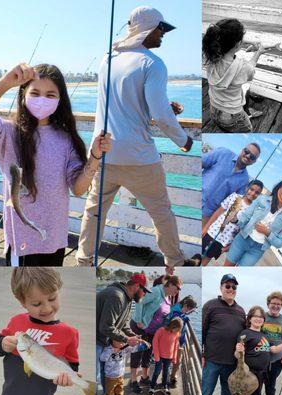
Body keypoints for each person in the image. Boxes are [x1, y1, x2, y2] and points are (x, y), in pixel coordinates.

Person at [76, 6, 201, 268]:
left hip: (104, 153)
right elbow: (161, 116)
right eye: (161, 28)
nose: (163, 34)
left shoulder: (107, 59)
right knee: (161, 212)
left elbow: (129, 105)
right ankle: (175, 261)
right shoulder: (152, 64)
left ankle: (84, 261)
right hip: (139, 158)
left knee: (95, 211)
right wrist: (185, 141)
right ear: (147, 29)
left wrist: (166, 108)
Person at [0, 63, 112, 266]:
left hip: (55, 240)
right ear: (23, 94)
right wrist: (5, 83)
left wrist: (94, 157)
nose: (42, 99)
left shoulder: (66, 139)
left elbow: (79, 188)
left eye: (51, 95)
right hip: (22, 243)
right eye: (35, 93)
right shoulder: (7, 134)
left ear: (60, 101)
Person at [0, 268, 82, 395]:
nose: (46, 308)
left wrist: (68, 378)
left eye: (52, 298)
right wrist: (2, 343)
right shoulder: (17, 321)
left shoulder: (69, 333)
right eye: (36, 304)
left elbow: (72, 365)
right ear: (22, 302)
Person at [202, 19, 271, 132]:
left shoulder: (210, 56)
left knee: (225, 128)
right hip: (232, 114)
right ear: (238, 44)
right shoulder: (242, 67)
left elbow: (225, 40)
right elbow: (251, 70)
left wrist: (243, 41)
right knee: (248, 131)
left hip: (214, 109)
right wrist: (258, 53)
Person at [96, 273, 149, 395]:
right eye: (144, 291)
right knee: (96, 377)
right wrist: (126, 339)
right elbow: (105, 327)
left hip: (104, 341)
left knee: (103, 376)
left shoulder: (129, 299)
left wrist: (133, 336)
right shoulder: (117, 296)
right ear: (136, 286)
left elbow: (124, 324)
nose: (145, 294)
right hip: (96, 341)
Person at [225, 177, 282, 266]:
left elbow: (279, 243)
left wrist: (268, 233)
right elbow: (245, 217)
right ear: (279, 187)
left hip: (257, 250)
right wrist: (235, 220)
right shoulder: (262, 199)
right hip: (242, 239)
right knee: (226, 268)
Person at [130, 275, 182, 394]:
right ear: (169, 284)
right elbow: (139, 300)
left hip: (152, 331)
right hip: (140, 328)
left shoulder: (168, 297)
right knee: (137, 353)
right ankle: (133, 381)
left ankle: (144, 378)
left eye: (179, 289)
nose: (178, 291)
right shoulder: (156, 291)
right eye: (177, 287)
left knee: (148, 354)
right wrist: (138, 320)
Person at [234, 305, 282, 395]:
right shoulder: (245, 334)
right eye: (256, 316)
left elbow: (274, 349)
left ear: (264, 320)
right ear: (249, 319)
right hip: (247, 374)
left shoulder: (264, 336)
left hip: (261, 374)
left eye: (261, 317)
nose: (258, 319)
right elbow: (237, 355)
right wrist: (238, 350)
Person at [202, 274, 246, 395]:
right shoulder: (210, 305)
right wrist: (201, 354)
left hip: (232, 363)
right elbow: (203, 331)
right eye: (227, 286)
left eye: (234, 287)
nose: (231, 289)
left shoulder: (241, 311)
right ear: (221, 287)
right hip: (211, 360)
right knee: (205, 393)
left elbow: (244, 335)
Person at [202, 180, 263, 265]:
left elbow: (243, 231)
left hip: (224, 241)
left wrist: (230, 246)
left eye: (257, 192)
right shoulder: (235, 196)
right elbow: (218, 212)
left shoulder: (254, 210)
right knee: (198, 254)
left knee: (206, 259)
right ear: (246, 188)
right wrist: (206, 227)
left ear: (259, 195)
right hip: (212, 232)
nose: (253, 193)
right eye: (251, 189)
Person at [202, 143, 260, 226]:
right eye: (247, 151)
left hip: (207, 215)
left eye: (252, 157)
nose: (248, 156)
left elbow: (235, 203)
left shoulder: (245, 180)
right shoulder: (223, 153)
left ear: (254, 162)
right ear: (242, 150)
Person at [167, 295, 198, 388]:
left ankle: (172, 377)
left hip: (180, 341)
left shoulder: (181, 310)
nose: (188, 312)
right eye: (189, 310)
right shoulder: (175, 311)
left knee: (178, 360)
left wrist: (186, 314)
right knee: (169, 360)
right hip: (173, 341)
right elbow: (176, 321)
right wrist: (184, 317)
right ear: (185, 306)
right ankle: (167, 378)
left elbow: (182, 314)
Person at [149, 317, 183, 395]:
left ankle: (164, 387)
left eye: (179, 330)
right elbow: (155, 342)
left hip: (169, 357)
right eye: (177, 329)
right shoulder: (161, 330)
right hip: (159, 356)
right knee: (157, 372)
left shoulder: (176, 334)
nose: (178, 332)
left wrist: (174, 358)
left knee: (166, 373)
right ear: (172, 326)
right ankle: (152, 387)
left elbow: (175, 346)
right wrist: (156, 356)